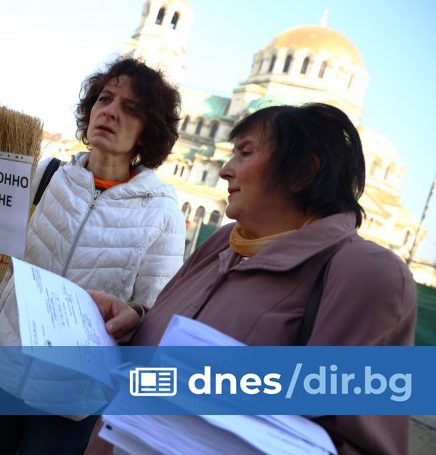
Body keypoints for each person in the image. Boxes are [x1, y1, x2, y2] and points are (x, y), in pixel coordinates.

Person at [83, 103, 417, 455]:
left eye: (245, 153)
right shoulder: (222, 243)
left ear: (305, 171)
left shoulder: (365, 273)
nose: (226, 170)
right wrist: (134, 321)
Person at [0, 57, 187, 454]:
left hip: (73, 399)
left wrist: (133, 316)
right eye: (105, 99)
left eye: (129, 108)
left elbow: (155, 310)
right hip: (1, 373)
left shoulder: (162, 210)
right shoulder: (46, 176)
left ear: (148, 132)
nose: (110, 111)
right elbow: (3, 261)